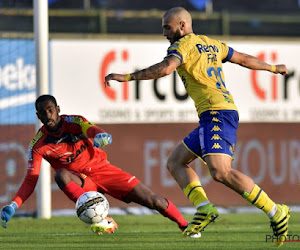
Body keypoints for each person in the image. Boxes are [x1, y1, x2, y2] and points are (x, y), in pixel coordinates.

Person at [103, 6, 290, 247]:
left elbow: (167, 68)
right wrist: (273, 68)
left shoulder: (181, 47)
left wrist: (127, 77)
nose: (164, 33)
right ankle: (204, 208)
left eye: (167, 27)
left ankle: (276, 211)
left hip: (217, 113)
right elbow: (243, 59)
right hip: (213, 114)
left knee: (221, 172)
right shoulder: (212, 44)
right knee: (175, 162)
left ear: (182, 25)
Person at [0, 94, 198, 237]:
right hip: (82, 182)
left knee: (153, 200)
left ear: (58, 110)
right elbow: (30, 179)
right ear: (38, 116)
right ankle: (103, 218)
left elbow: (91, 128)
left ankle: (185, 225)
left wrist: (100, 135)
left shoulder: (74, 122)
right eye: (43, 113)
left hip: (104, 171)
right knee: (61, 175)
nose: (48, 116)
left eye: (50, 110)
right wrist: (13, 205)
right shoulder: (39, 145)